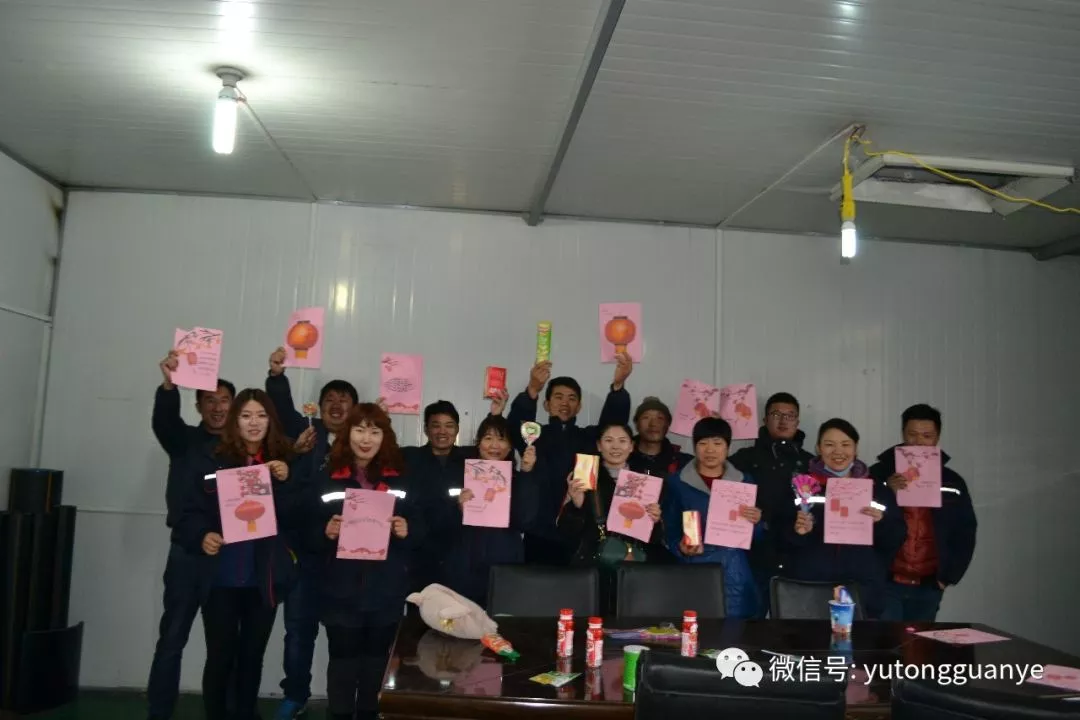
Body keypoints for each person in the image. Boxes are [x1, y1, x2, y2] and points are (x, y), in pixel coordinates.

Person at [172, 389, 301, 720]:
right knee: (220, 656)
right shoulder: (209, 458)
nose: (254, 423)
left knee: (252, 657)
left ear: (271, 421)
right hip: (221, 577)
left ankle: (246, 713)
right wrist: (202, 536)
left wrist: (286, 481)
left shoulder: (284, 459)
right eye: (246, 415)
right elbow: (186, 512)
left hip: (263, 578)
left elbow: (298, 518)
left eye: (261, 415)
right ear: (235, 420)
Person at [302, 403, 422, 720]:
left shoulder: (403, 478)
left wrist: (407, 529)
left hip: (386, 589)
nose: (366, 439)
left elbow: (423, 527)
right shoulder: (327, 477)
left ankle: (370, 714)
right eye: (359, 430)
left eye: (374, 431)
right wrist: (325, 532)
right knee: (342, 664)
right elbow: (305, 531)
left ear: (385, 437)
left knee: (376, 665)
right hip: (340, 590)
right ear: (347, 433)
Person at [265, 347, 359, 719]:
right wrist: (277, 377)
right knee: (298, 630)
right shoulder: (304, 434)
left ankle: (345, 700)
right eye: (329, 400)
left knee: (344, 634)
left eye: (344, 400)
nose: (336, 405)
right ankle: (295, 695)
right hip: (303, 555)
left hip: (345, 559)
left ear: (355, 408)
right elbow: (280, 408)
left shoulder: (362, 443)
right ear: (318, 407)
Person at [146, 349, 234, 720]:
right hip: (186, 556)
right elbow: (164, 422)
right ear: (198, 406)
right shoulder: (183, 441)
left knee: (222, 648)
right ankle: (159, 713)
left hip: (228, 560)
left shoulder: (244, 451)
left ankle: (219, 712)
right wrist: (169, 386)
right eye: (209, 401)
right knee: (172, 641)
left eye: (224, 400)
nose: (217, 407)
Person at [506, 354, 634, 565]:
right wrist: (532, 390)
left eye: (572, 398)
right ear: (546, 404)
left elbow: (614, 426)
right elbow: (514, 426)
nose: (565, 402)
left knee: (583, 586)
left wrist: (618, 387)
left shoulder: (589, 438)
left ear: (579, 407)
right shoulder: (534, 436)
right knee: (536, 585)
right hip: (538, 533)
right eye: (558, 397)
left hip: (581, 534)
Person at [780, 418, 906, 619]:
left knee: (860, 639)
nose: (838, 451)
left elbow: (896, 538)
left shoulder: (877, 489)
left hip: (862, 588)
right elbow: (779, 536)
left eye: (846, 444)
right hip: (809, 588)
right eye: (829, 444)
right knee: (810, 639)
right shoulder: (801, 486)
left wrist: (881, 523)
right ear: (818, 448)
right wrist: (798, 532)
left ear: (856, 448)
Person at [871, 404, 977, 622]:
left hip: (929, 585)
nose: (918, 442)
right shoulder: (878, 474)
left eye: (927, 436)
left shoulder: (952, 481)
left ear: (937, 437)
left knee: (920, 642)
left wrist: (948, 577)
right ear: (903, 434)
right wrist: (886, 490)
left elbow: (965, 530)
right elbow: (861, 521)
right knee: (885, 641)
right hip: (886, 582)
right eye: (912, 435)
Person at [395, 393, 508, 594]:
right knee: (421, 610)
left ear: (457, 429)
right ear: (426, 429)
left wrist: (495, 416)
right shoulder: (409, 458)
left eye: (449, 425)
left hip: (460, 557)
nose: (442, 431)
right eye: (436, 425)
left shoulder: (471, 460)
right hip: (419, 557)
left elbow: (494, 449)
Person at [662, 417, 763, 618]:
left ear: (728, 447)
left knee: (734, 631)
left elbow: (756, 538)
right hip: (694, 569)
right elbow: (669, 530)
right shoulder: (677, 483)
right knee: (696, 628)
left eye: (717, 443)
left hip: (735, 572)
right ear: (694, 446)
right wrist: (680, 548)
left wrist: (757, 521)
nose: (710, 450)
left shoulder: (744, 481)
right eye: (703, 443)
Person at [558, 422, 663, 614]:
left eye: (622, 441)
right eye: (608, 440)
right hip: (593, 568)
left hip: (634, 568)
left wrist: (655, 520)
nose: (615, 446)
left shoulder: (645, 480)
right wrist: (576, 504)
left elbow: (655, 539)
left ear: (631, 446)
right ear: (599, 446)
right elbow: (566, 531)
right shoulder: (584, 477)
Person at [438, 414, 542, 607]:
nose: (494, 445)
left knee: (501, 619)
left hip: (505, 562)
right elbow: (438, 522)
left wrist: (527, 472)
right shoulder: (459, 475)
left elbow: (526, 521)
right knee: (462, 618)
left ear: (510, 447)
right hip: (464, 563)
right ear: (478, 443)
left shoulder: (520, 479)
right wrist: (457, 507)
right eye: (488, 438)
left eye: (501, 439)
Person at [729, 391, 813, 617]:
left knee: (792, 625)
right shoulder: (745, 458)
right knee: (749, 621)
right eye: (776, 414)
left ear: (797, 421)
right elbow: (720, 489)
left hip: (796, 554)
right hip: (753, 553)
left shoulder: (809, 463)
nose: (783, 420)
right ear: (765, 420)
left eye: (790, 415)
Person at [630, 396, 692, 478]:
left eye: (660, 418)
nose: (653, 424)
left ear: (668, 424)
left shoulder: (684, 463)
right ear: (636, 424)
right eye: (646, 418)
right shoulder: (621, 456)